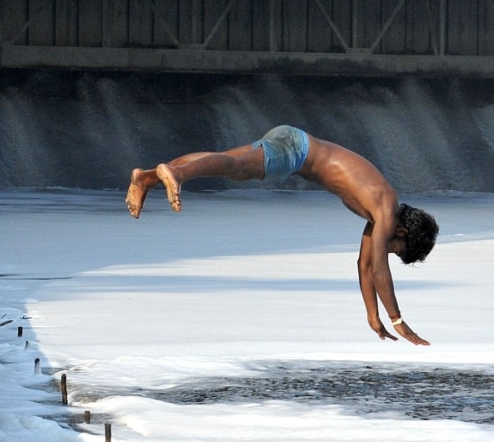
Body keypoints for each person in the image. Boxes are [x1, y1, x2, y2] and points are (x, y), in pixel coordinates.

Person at [126, 125, 438, 346]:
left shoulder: (378, 210)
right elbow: (379, 270)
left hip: (295, 143)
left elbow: (364, 264)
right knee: (236, 168)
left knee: (226, 162)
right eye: (397, 249)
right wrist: (397, 320)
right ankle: (175, 174)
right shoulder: (385, 209)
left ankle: (147, 178)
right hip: (297, 151)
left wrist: (372, 315)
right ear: (403, 231)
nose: (388, 251)